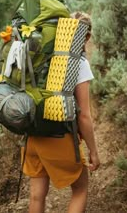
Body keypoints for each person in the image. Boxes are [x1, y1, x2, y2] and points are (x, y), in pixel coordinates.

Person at [21, 11, 100, 213]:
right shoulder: (78, 63)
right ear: (87, 36)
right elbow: (84, 115)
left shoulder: (43, 58)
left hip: (32, 136)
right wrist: (93, 151)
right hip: (59, 137)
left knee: (36, 196)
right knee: (80, 189)